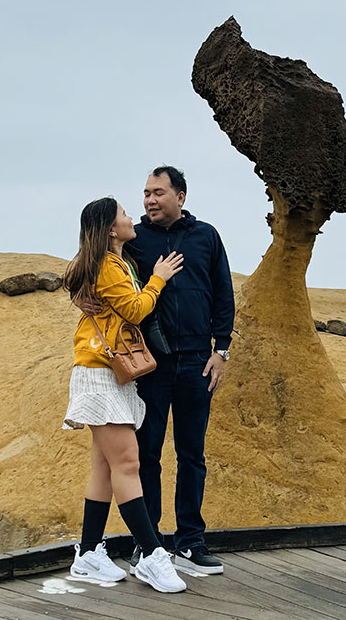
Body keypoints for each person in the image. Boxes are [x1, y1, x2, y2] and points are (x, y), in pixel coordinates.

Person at [62, 195, 188, 593]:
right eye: (123, 214)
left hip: (105, 370)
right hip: (100, 372)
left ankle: (87, 553)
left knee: (104, 467)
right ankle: (151, 555)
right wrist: (159, 279)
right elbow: (135, 310)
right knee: (128, 462)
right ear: (110, 229)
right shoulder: (107, 264)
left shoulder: (114, 261)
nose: (131, 216)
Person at [126, 165, 235, 575]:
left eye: (157, 193)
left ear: (181, 197)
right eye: (146, 193)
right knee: (146, 455)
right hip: (150, 366)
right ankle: (149, 544)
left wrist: (220, 351)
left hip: (195, 363)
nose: (149, 200)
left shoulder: (206, 236)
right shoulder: (135, 239)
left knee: (192, 455)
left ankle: (189, 541)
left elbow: (223, 294)